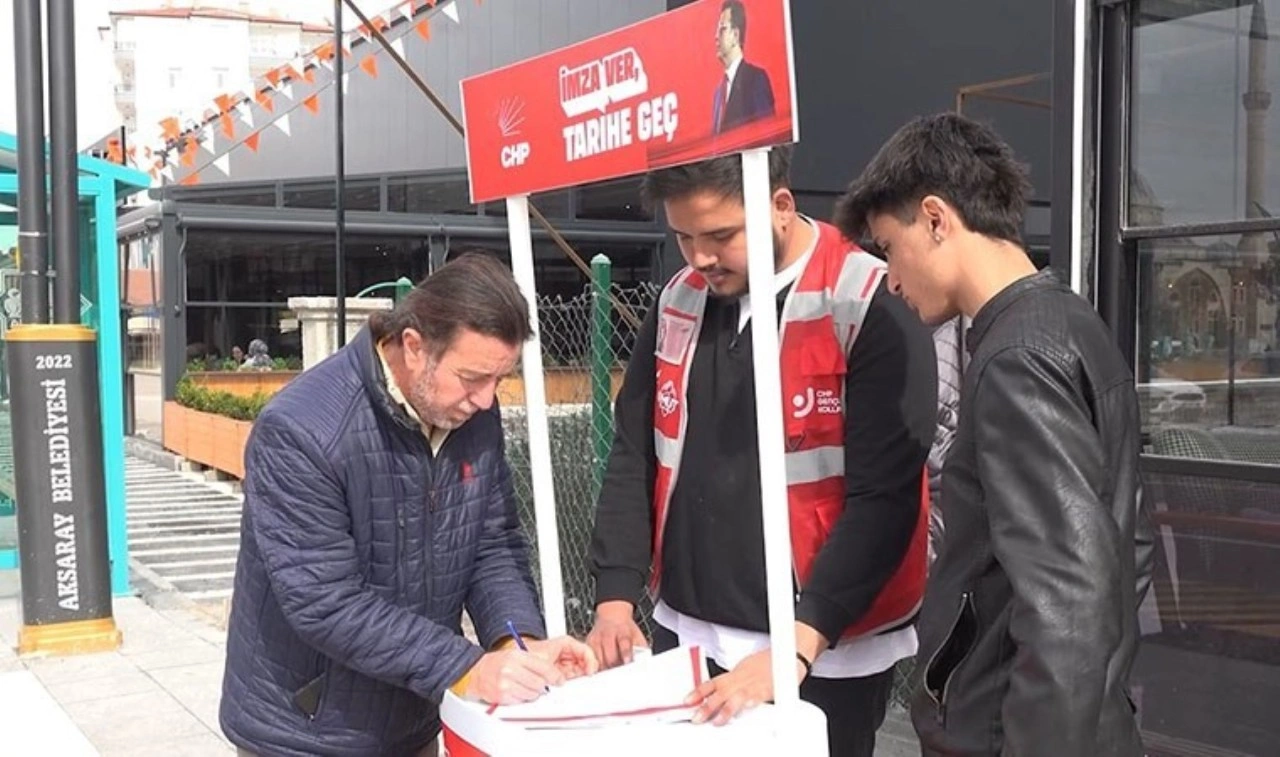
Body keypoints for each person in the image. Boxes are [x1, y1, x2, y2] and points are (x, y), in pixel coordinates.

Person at [587, 147, 937, 757]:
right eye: (684, 237)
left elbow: (885, 501)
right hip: (687, 632)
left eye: (721, 235)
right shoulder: (677, 301)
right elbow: (635, 453)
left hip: (822, 648)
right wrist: (615, 596)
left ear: (780, 204)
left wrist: (799, 644)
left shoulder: (866, 302)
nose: (701, 257)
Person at [833, 112, 1154, 757]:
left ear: (935, 218)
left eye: (889, 248)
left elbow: (1066, 600)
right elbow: (1129, 547)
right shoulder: (1070, 322)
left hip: (1011, 731)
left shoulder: (1015, 358)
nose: (891, 279)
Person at [220, 253, 597, 757]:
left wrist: (515, 645)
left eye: (499, 380)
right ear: (414, 346)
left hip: (412, 715)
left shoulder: (471, 417)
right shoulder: (301, 430)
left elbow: (491, 544)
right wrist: (466, 667)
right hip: (306, 731)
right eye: (472, 377)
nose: (486, 400)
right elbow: (325, 601)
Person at [712, 0, 776, 134]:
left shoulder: (756, 79)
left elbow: (767, 134)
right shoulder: (718, 94)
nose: (716, 37)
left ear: (736, 35)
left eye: (722, 29)